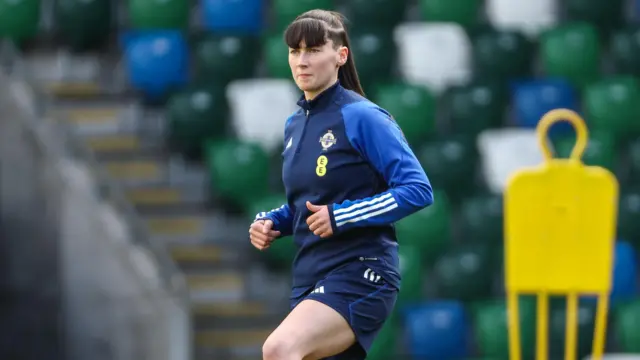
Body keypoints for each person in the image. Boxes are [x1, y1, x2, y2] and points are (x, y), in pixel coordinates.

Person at [248, 9, 433, 360]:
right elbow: (309, 204)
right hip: (308, 278)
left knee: (279, 348)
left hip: (361, 271)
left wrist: (342, 216)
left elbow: (417, 189)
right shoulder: (294, 124)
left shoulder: (363, 116)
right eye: (294, 51)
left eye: (314, 50)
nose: (302, 61)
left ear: (340, 56)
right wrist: (272, 220)